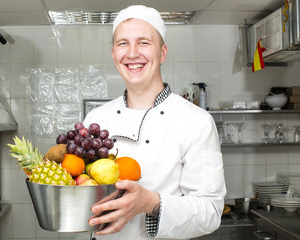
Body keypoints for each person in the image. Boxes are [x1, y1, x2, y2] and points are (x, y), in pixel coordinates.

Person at [83, 5, 226, 240]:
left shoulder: (196, 121)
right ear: (113, 54)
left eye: (144, 42)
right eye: (123, 43)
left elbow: (210, 213)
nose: (131, 53)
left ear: (162, 53)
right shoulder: (96, 119)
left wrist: (151, 202)